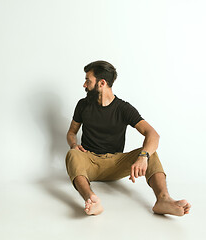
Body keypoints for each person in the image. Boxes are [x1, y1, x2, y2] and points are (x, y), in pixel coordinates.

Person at [65, 60, 191, 216]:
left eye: (88, 81)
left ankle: (163, 200)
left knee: (151, 154)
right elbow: (71, 132)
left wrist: (143, 157)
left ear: (102, 83)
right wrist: (73, 144)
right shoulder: (83, 105)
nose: (84, 85)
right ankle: (91, 200)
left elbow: (152, 134)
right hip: (89, 161)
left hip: (116, 163)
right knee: (72, 154)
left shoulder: (123, 108)